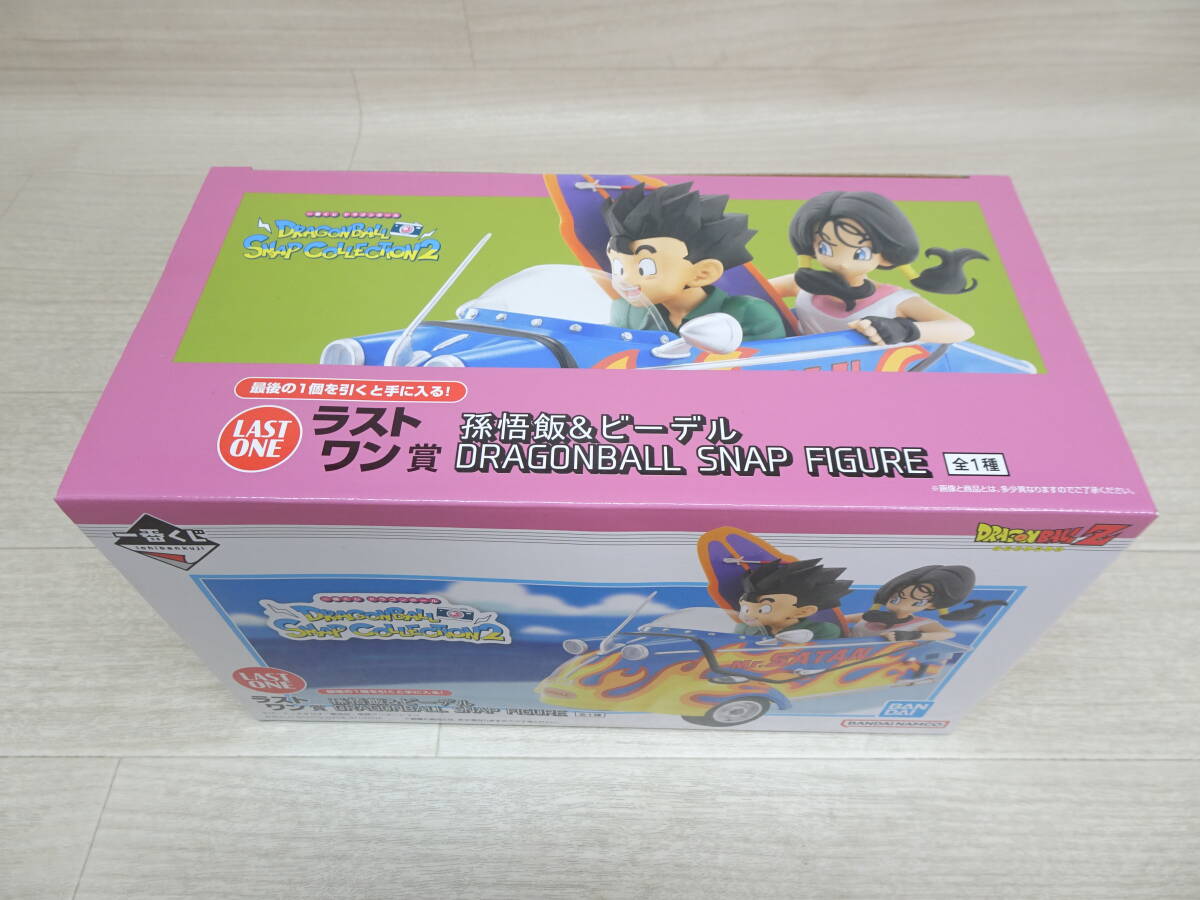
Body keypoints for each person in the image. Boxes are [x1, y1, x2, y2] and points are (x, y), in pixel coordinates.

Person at [768, 191, 986, 346]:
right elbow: (754, 291)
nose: (842, 262)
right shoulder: (801, 284)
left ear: (887, 257)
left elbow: (962, 329)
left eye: (859, 253)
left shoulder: (894, 301)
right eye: (825, 248)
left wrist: (904, 329)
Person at [602, 182, 786, 341]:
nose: (624, 280)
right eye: (618, 267)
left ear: (702, 273)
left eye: (646, 268)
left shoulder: (746, 314)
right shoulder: (627, 312)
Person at [845, 564, 1001, 642]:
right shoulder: (869, 616)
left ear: (931, 606)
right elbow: (842, 618)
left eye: (916, 603)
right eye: (896, 598)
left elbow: (948, 634)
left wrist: (913, 635)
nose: (901, 605)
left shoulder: (920, 623)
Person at [734, 558, 851, 643]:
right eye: (745, 608)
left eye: (764, 609)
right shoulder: (745, 629)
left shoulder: (821, 631)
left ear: (803, 611)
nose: (747, 615)